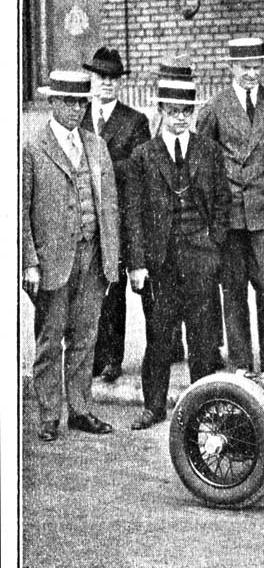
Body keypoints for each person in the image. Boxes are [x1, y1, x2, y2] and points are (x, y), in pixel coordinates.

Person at [124, 71, 231, 430]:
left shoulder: (209, 150)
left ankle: (202, 404)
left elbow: (221, 201)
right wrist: (136, 265)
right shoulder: (144, 155)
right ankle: (154, 406)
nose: (180, 117)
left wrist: (214, 244)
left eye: (185, 110)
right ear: (161, 111)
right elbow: (134, 214)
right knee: (159, 336)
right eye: (173, 110)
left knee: (202, 337)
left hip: (201, 258)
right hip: (161, 263)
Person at [22, 70, 119, 441]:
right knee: (50, 340)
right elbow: (21, 211)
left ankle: (80, 408)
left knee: (85, 338)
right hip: (52, 262)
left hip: (92, 257)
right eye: (70, 102)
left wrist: (111, 256)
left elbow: (108, 206)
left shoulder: (96, 146)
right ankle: (49, 415)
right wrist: (29, 261)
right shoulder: (33, 147)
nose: (78, 109)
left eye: (83, 102)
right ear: (53, 103)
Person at [198, 37, 264, 372]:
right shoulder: (215, 107)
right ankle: (241, 365)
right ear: (231, 67)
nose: (251, 73)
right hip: (231, 214)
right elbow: (203, 161)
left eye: (256, 66)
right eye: (245, 66)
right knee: (233, 290)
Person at [81, 46, 151, 383]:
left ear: (120, 83)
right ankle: (89, 355)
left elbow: (137, 168)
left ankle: (112, 358)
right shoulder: (78, 115)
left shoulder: (135, 121)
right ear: (91, 79)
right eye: (101, 77)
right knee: (85, 288)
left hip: (118, 217)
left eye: (113, 78)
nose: (107, 83)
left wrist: (98, 166)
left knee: (113, 287)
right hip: (82, 216)